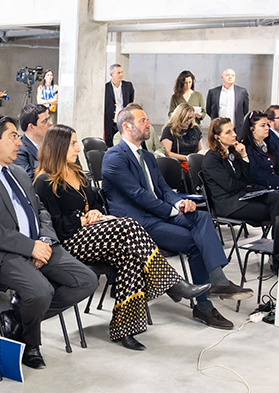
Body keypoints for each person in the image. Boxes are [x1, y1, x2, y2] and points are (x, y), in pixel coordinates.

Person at [33, 125, 211, 351]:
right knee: (128, 225)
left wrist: (95, 212)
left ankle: (125, 329)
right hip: (70, 242)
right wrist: (82, 220)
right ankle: (171, 283)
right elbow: (51, 225)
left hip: (95, 235)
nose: (78, 149)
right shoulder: (44, 182)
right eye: (73, 144)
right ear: (58, 147)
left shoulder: (77, 173)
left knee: (130, 258)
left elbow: (96, 202)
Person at [0, 115, 97, 370]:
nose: (19, 142)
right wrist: (30, 248)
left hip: (37, 244)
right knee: (40, 291)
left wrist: (44, 240)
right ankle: (30, 344)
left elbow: (40, 210)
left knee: (86, 280)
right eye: (13, 137)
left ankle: (17, 318)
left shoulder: (18, 172)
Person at [101, 104, 253, 330]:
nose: (149, 124)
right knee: (196, 241)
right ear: (127, 127)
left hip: (159, 214)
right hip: (138, 223)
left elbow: (163, 189)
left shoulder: (147, 157)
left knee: (202, 218)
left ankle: (218, 281)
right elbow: (138, 195)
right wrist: (172, 210)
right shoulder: (114, 157)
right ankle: (204, 305)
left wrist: (179, 203)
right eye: (143, 120)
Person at [201, 117, 279, 264]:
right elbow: (229, 185)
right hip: (228, 204)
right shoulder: (211, 158)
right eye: (228, 132)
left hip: (242, 196)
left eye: (233, 130)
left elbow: (247, 178)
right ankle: (278, 257)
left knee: (277, 198)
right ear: (217, 137)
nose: (234, 134)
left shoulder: (233, 152)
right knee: (276, 211)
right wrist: (246, 186)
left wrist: (244, 156)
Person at [15, 103, 52, 178]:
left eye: (49, 119)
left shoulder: (52, 145)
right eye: (45, 121)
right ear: (31, 127)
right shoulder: (19, 151)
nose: (50, 123)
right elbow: (29, 180)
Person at [103, 63, 135, 145]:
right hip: (110, 121)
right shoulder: (105, 87)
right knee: (110, 144)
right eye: (118, 73)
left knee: (124, 143)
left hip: (124, 121)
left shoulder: (128, 86)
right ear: (111, 74)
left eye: (122, 72)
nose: (121, 75)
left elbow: (130, 103)